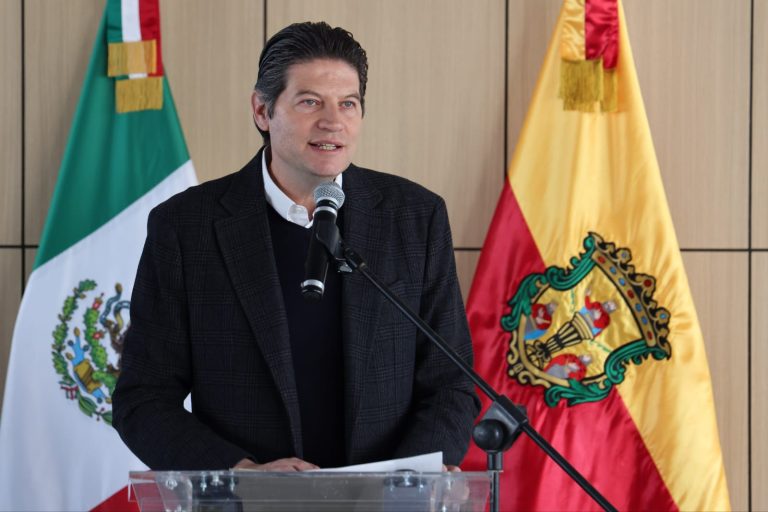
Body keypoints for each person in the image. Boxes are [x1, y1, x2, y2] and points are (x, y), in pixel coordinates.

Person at [112, 21, 480, 472]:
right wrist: (243, 474)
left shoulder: (415, 218)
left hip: (386, 498)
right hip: (248, 500)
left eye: (348, 103)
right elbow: (143, 398)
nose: (333, 121)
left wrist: (403, 480)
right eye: (310, 102)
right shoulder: (187, 227)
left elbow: (451, 384)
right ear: (262, 111)